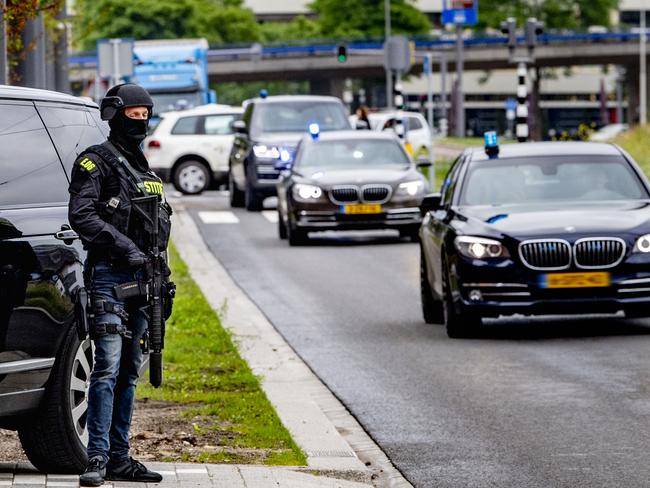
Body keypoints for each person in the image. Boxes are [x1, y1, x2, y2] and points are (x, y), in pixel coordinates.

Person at [68, 83, 172, 487]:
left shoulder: (144, 168)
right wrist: (124, 248)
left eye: (146, 113)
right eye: (133, 114)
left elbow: (157, 229)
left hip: (146, 282)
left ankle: (119, 457)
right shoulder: (95, 163)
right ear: (114, 114)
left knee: (130, 370)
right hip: (110, 277)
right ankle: (95, 457)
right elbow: (83, 216)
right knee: (106, 368)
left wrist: (161, 275)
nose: (141, 121)